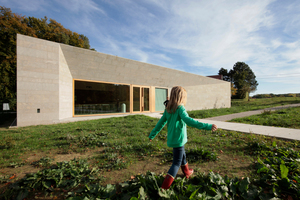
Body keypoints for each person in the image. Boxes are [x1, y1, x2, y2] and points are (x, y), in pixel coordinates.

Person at [149, 86, 218, 189]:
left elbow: (160, 123)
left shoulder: (168, 108)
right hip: (179, 141)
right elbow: (188, 120)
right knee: (176, 163)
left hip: (173, 140)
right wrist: (208, 126)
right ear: (181, 97)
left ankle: (187, 172)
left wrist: (152, 135)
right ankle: (164, 188)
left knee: (182, 156)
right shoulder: (180, 108)